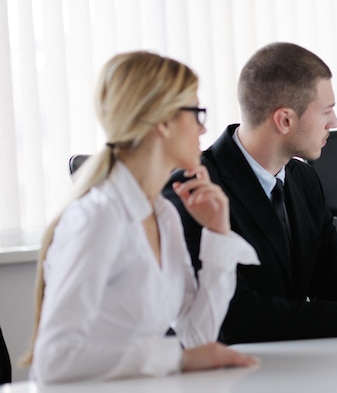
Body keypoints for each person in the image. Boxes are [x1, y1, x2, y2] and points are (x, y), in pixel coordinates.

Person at [164, 42, 337, 344]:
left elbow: (332, 280)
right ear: (285, 120)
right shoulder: (193, 189)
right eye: (327, 111)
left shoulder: (303, 178)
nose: (335, 123)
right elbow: (232, 317)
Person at [25, 51, 259, 384]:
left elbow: (197, 335)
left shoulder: (163, 215)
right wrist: (174, 358)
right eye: (196, 113)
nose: (204, 127)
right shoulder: (98, 218)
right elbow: (54, 359)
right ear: (163, 122)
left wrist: (218, 233)